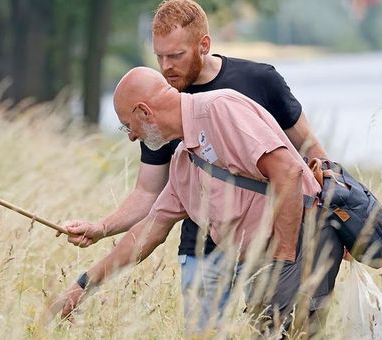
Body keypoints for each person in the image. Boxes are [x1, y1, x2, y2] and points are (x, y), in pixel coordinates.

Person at [62, 0, 343, 333]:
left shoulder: (221, 107)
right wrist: (82, 286)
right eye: (159, 58)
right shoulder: (183, 161)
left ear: (145, 112)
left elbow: (290, 170)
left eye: (128, 126)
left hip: (297, 248)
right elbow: (148, 228)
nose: (131, 137)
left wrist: (281, 261)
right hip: (236, 254)